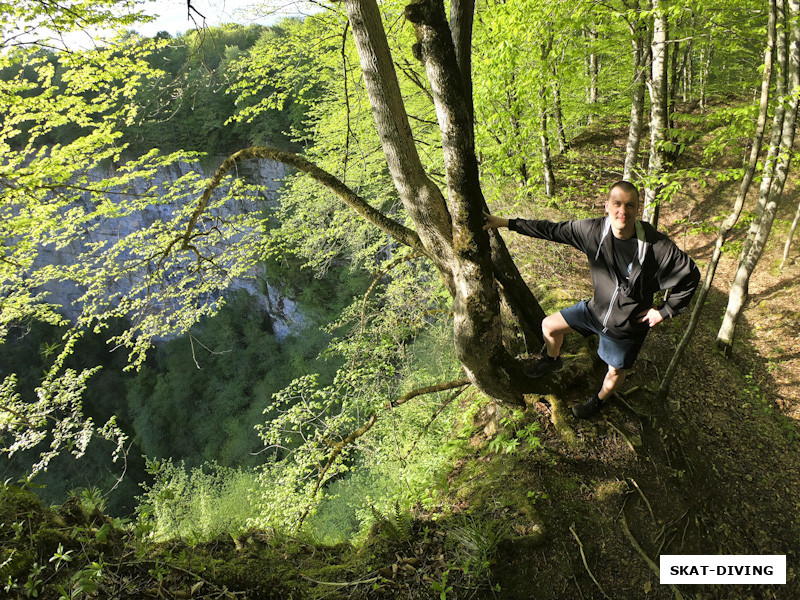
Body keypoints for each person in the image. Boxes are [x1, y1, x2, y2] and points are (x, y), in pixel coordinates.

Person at [483, 181, 700, 418]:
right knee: (549, 326)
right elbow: (551, 230)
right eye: (617, 204)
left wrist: (665, 311)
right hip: (595, 311)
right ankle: (551, 359)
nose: (623, 212)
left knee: (615, 372)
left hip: (626, 327)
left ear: (638, 209)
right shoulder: (593, 231)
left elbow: (690, 275)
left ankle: (598, 401)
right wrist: (505, 223)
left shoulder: (656, 246)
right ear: (606, 205)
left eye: (630, 205)